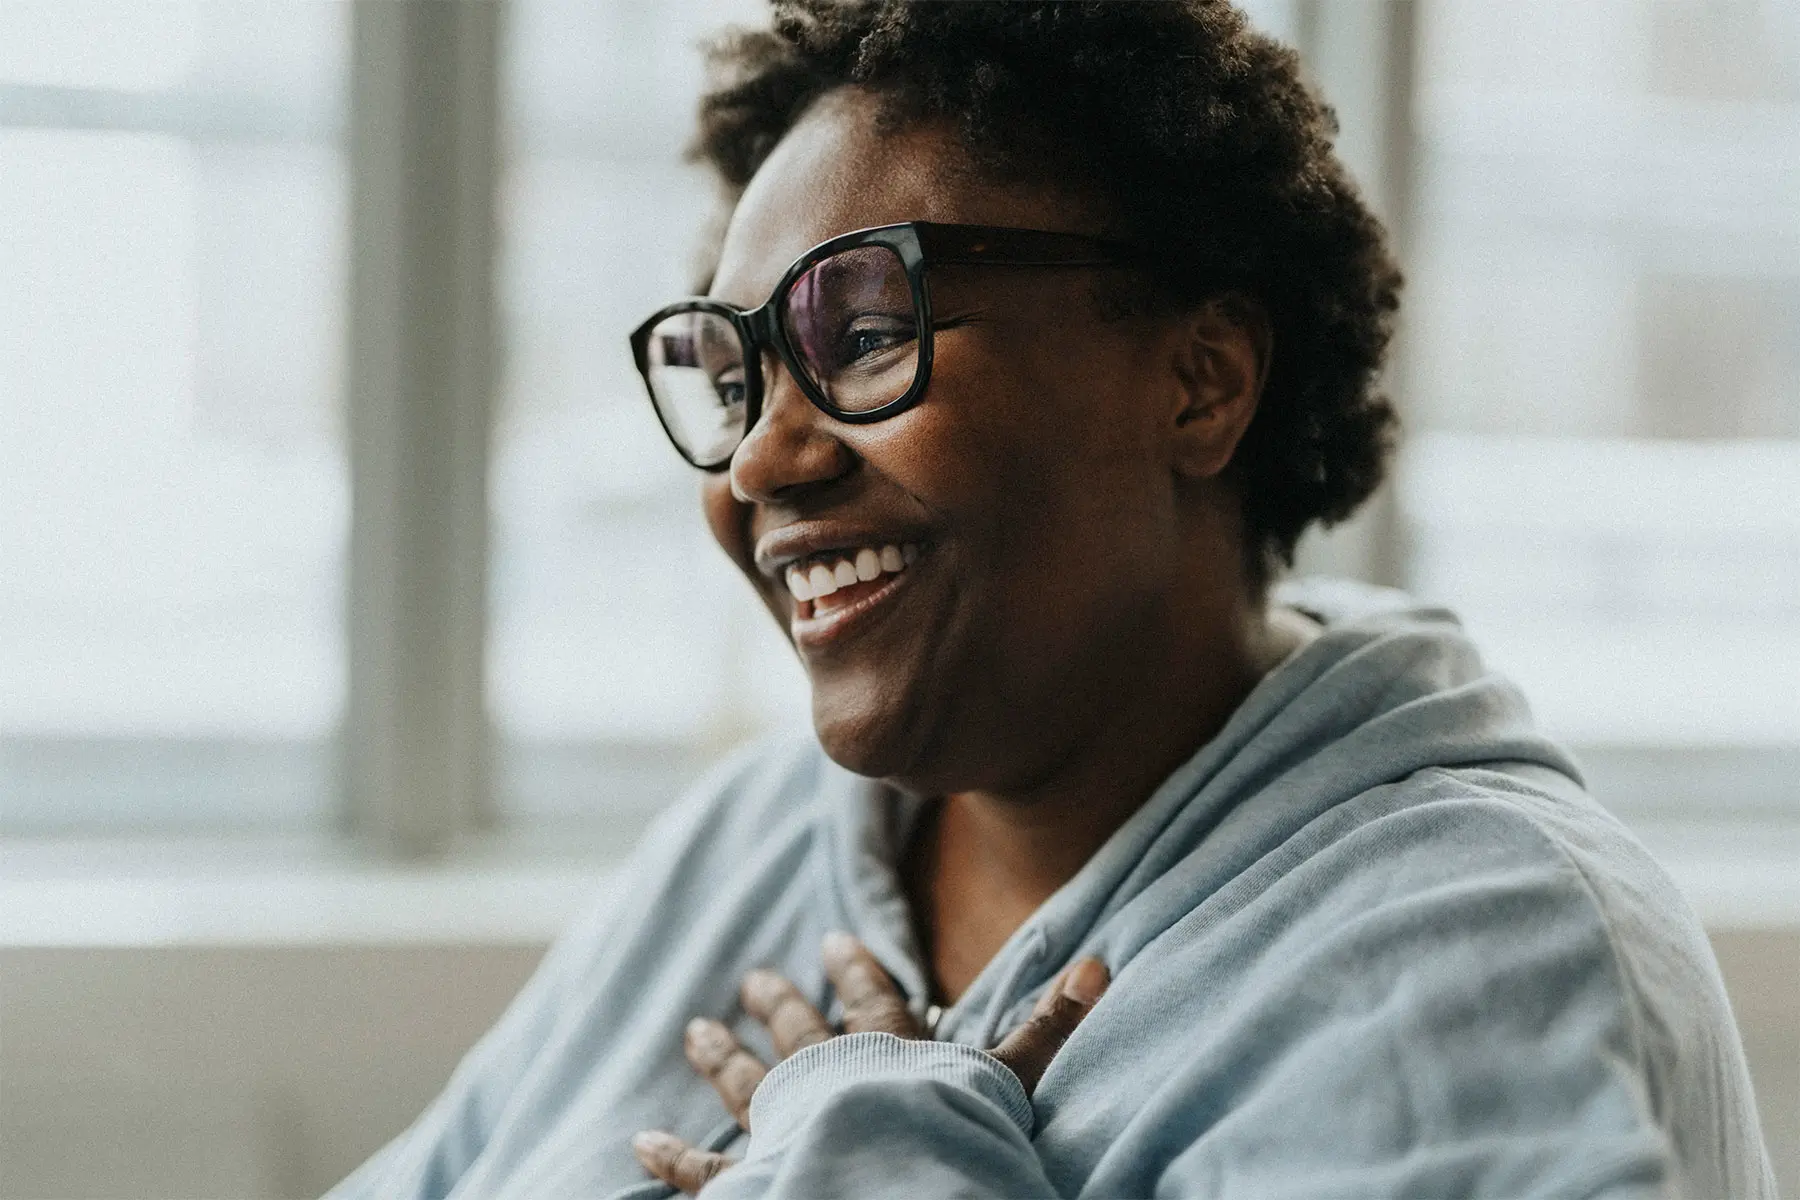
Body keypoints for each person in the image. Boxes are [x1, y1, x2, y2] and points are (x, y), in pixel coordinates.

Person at [327, 2, 1776, 1197]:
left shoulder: (1471, 949)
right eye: (735, 367)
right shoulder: (754, 838)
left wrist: (878, 1169)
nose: (764, 455)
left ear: (1200, 380)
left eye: (868, 330)